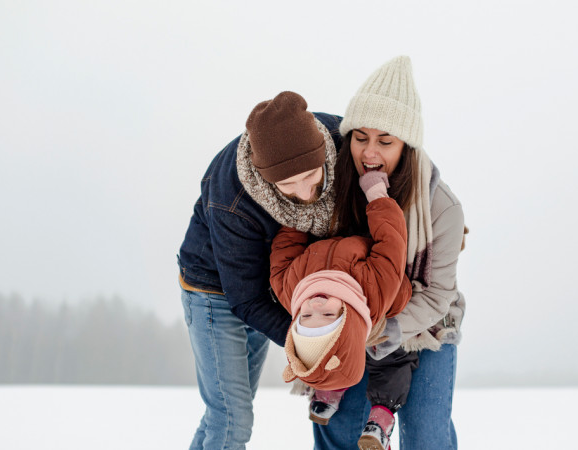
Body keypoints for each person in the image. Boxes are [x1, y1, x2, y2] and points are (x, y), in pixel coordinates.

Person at [313, 56, 468, 449]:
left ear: (407, 146)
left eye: (386, 141)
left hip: (425, 324)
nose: (369, 153)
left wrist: (380, 329)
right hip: (349, 319)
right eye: (361, 137)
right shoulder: (333, 191)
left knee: (427, 437)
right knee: (340, 432)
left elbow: (436, 295)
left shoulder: (441, 207)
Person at [177, 91, 343, 449]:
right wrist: (307, 346)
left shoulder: (339, 138)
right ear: (266, 178)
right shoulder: (233, 199)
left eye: (312, 175)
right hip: (215, 292)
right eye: (287, 185)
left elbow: (396, 152)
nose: (304, 192)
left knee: (223, 415)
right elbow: (246, 299)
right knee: (232, 419)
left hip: (267, 287)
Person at [269, 170, 417, 449]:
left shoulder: (290, 289)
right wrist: (376, 196)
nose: (315, 305)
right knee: (389, 357)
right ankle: (341, 391)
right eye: (327, 315)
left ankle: (329, 384)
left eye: (306, 317)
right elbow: (391, 242)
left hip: (321, 219)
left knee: (345, 354)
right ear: (345, 317)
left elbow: (285, 246)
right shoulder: (375, 289)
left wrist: (302, 209)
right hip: (367, 286)